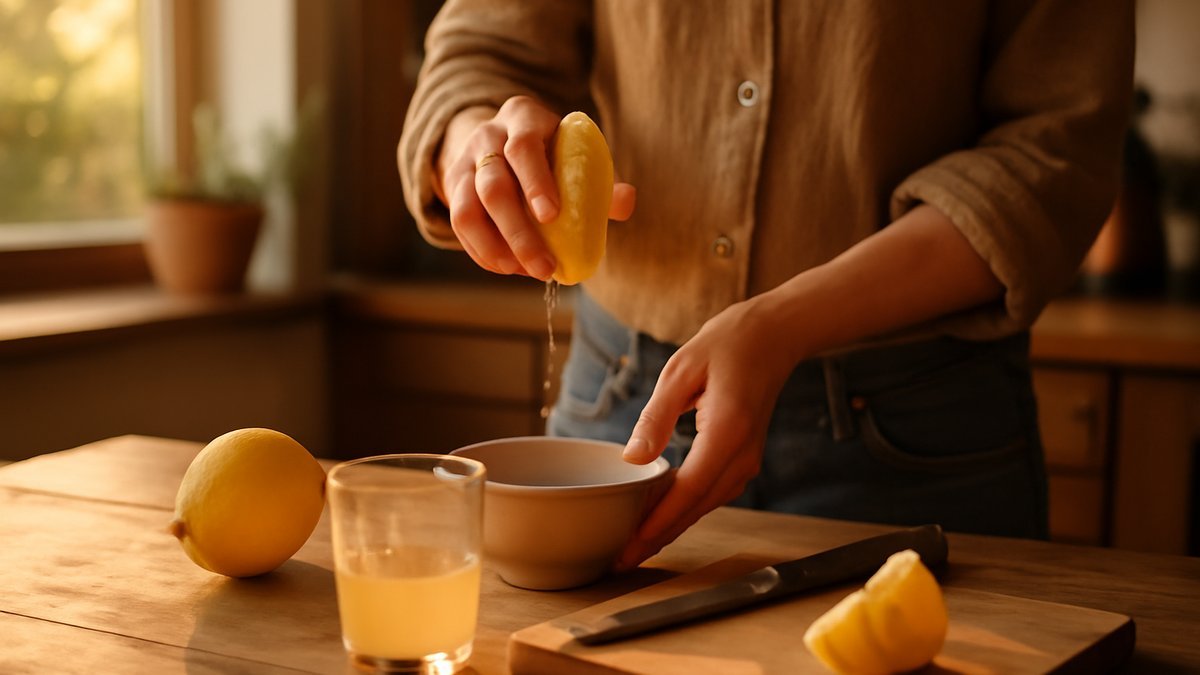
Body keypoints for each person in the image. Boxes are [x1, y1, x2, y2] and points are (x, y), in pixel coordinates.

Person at [398, 1, 1135, 570]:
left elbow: (1053, 150)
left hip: (916, 434)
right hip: (620, 403)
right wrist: (475, 147)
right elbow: (480, 52)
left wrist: (785, 321)